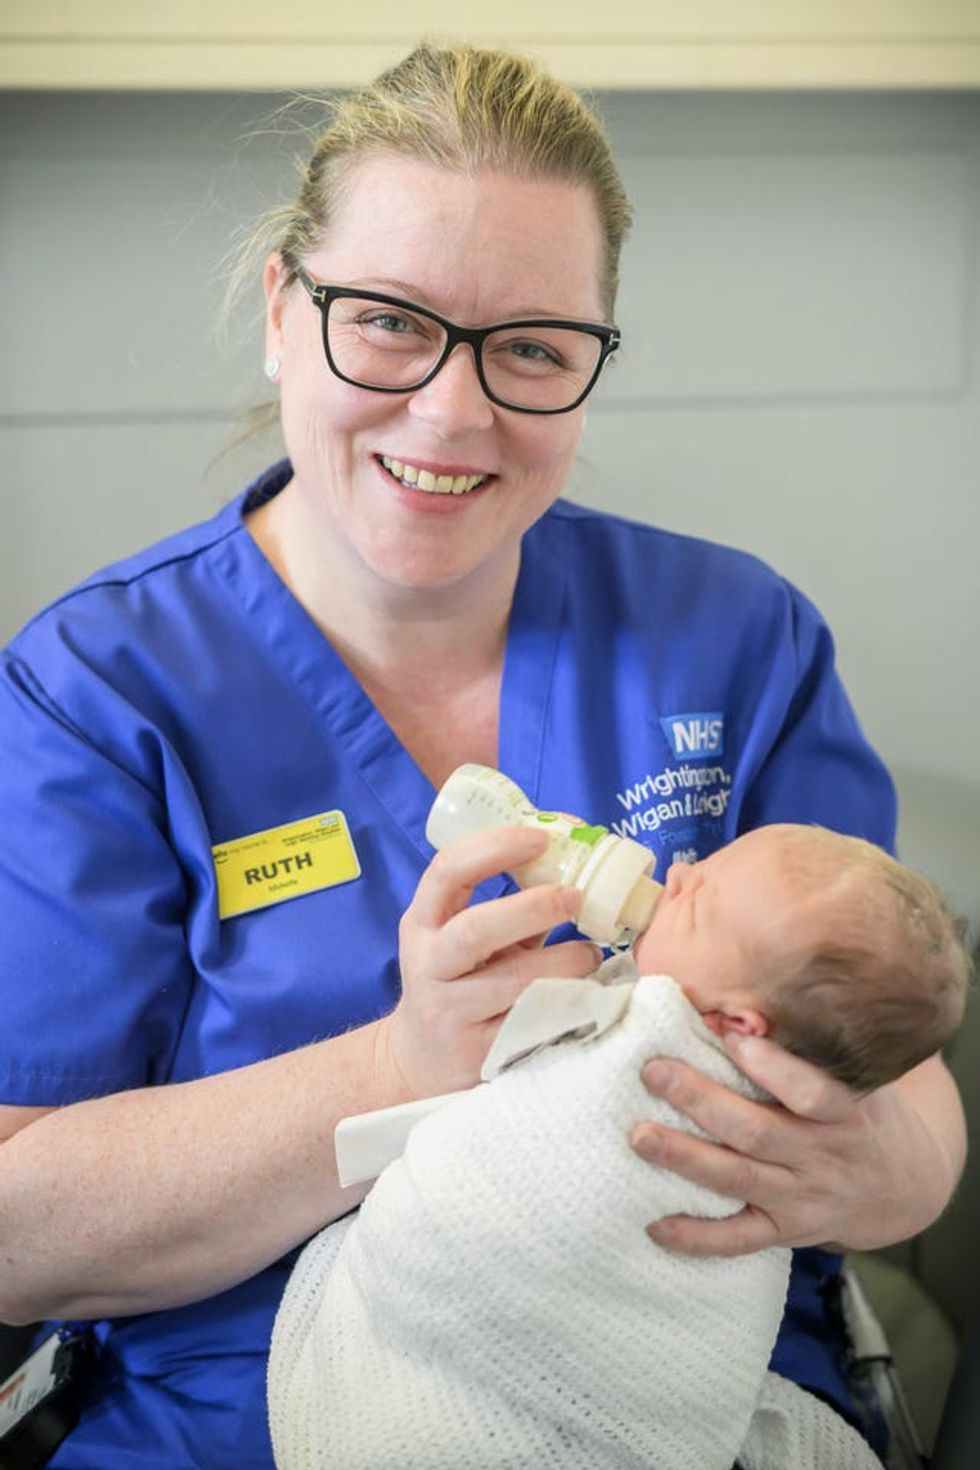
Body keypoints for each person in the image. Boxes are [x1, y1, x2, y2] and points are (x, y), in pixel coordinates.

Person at [0, 41, 966, 1470]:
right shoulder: (98, 690)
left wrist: (867, 1164)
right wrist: (400, 1060)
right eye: (387, 321)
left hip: (686, 1394)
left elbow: (914, 1108)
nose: (453, 413)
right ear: (282, 310)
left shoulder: (733, 637)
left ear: (592, 362)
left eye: (530, 346)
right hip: (251, 1412)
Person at [266, 823, 969, 1469]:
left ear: (740, 1024)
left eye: (699, 903)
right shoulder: (728, 980)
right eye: (701, 866)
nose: (680, 875)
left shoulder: (662, 1044)